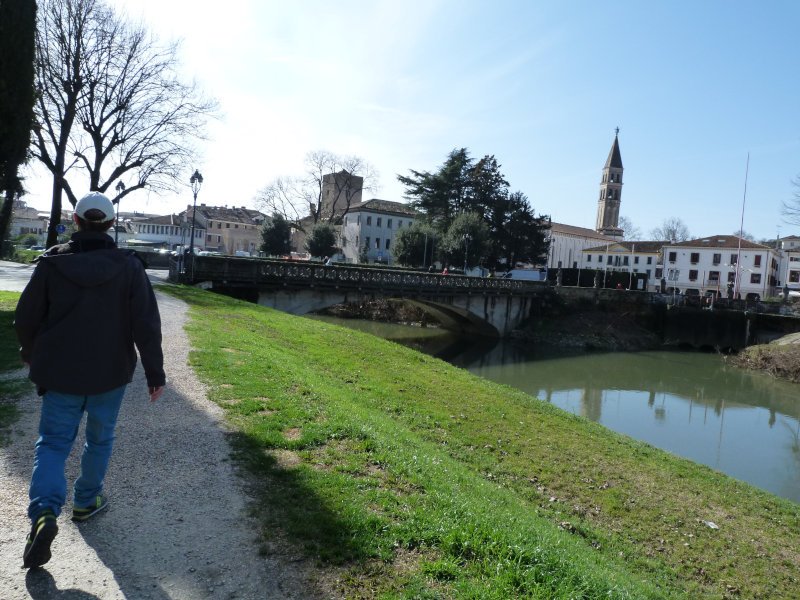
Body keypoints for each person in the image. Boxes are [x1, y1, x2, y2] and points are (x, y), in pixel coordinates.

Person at [14, 191, 165, 569]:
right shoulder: (129, 266)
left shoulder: (52, 264)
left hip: (60, 372)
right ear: (111, 225)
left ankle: (44, 512)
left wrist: (30, 352)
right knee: (100, 439)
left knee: (52, 443)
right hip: (109, 373)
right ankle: (86, 501)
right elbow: (146, 324)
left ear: (76, 221)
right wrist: (154, 373)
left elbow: (26, 316)